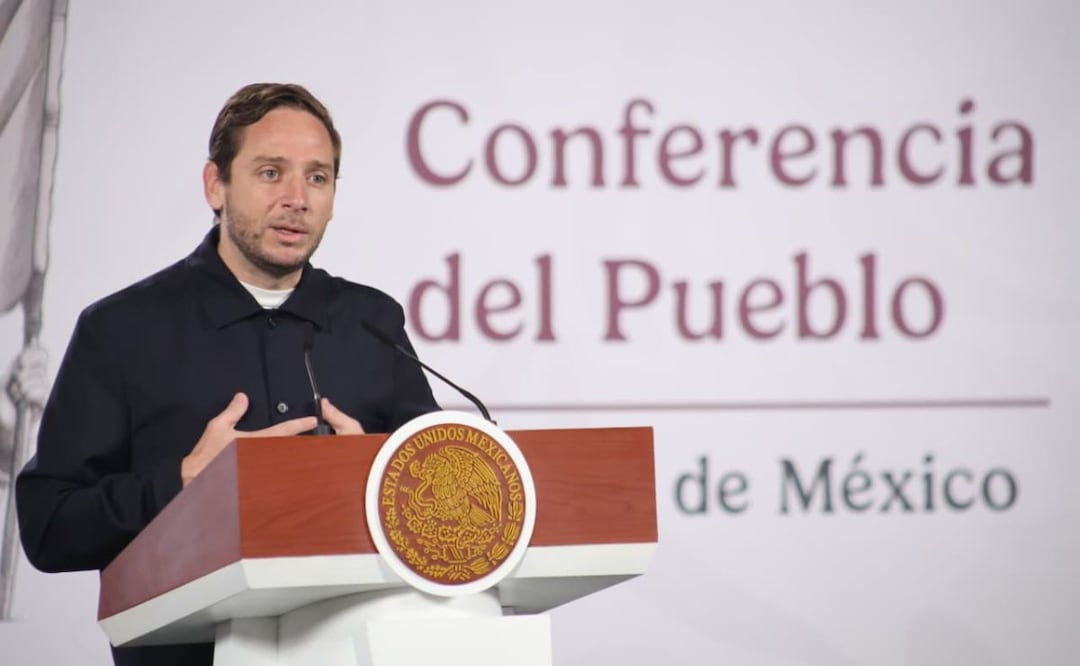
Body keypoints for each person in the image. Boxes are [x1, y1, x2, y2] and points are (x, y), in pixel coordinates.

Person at [15, 83, 440, 666]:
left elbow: (444, 495)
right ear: (216, 185)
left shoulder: (373, 321)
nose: (297, 198)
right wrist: (185, 481)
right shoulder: (121, 329)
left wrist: (378, 476)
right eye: (271, 173)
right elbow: (48, 528)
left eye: (318, 178)